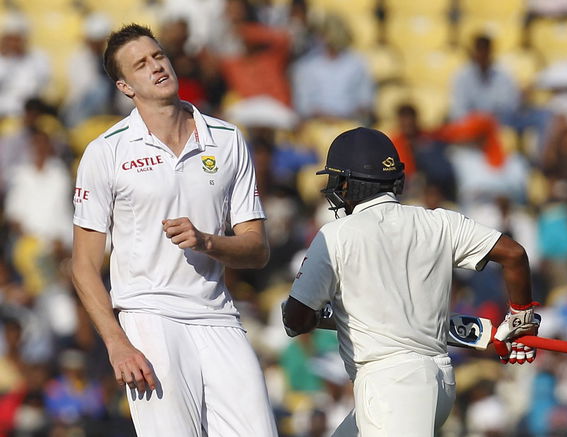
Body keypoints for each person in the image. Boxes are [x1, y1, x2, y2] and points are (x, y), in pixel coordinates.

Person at [71, 24, 278, 436]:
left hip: (218, 316)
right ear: (125, 86)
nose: (156, 67)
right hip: (149, 317)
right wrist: (117, 343)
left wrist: (208, 241)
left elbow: (257, 249)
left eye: (158, 56)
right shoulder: (105, 151)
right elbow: (83, 265)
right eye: (141, 64)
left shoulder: (228, 139)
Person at [282, 127, 540, 436]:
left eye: (336, 179)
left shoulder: (336, 234)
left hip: (392, 385)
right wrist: (521, 317)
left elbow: (294, 320)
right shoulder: (440, 222)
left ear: (348, 184)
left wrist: (321, 315)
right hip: (438, 379)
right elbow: (514, 254)